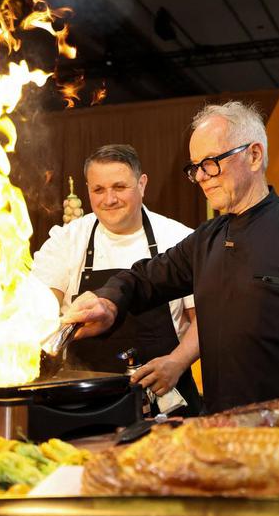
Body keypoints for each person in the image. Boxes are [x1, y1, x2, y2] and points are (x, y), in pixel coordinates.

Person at [62, 102, 279, 414]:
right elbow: (144, 278)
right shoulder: (206, 239)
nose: (202, 177)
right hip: (221, 423)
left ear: (254, 155)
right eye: (195, 167)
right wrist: (108, 302)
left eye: (211, 163)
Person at [32, 144, 201, 415]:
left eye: (119, 187)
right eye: (98, 189)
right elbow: (39, 308)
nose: (109, 199)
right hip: (82, 401)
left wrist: (177, 362)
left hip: (164, 397)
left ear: (142, 184)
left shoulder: (178, 238)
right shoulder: (67, 240)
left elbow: (203, 318)